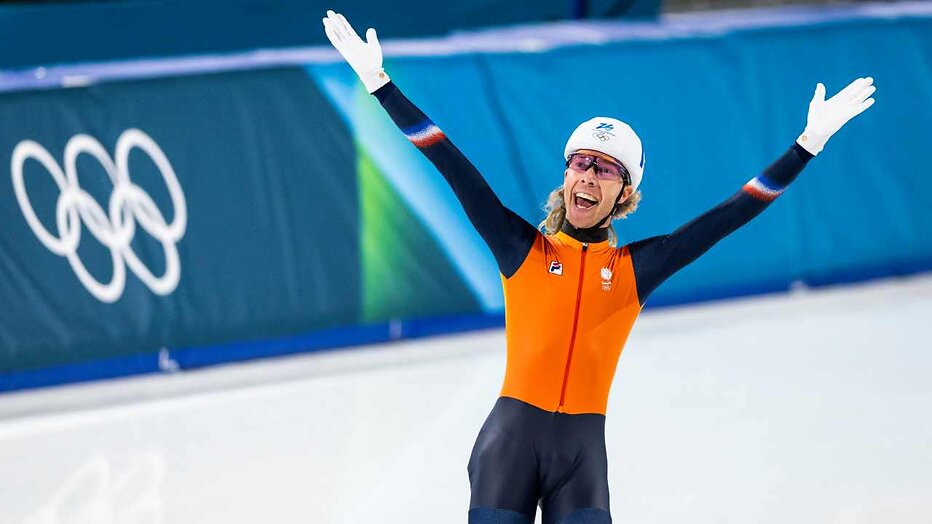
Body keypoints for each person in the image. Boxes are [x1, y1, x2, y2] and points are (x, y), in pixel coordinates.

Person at [323, 10, 876, 524]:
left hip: (581, 456)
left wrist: (807, 144)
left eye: (606, 169)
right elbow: (446, 158)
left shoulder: (640, 267)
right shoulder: (521, 249)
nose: (588, 176)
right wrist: (381, 86)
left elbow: (735, 210)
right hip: (508, 446)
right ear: (566, 175)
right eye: (580, 163)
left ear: (625, 193)